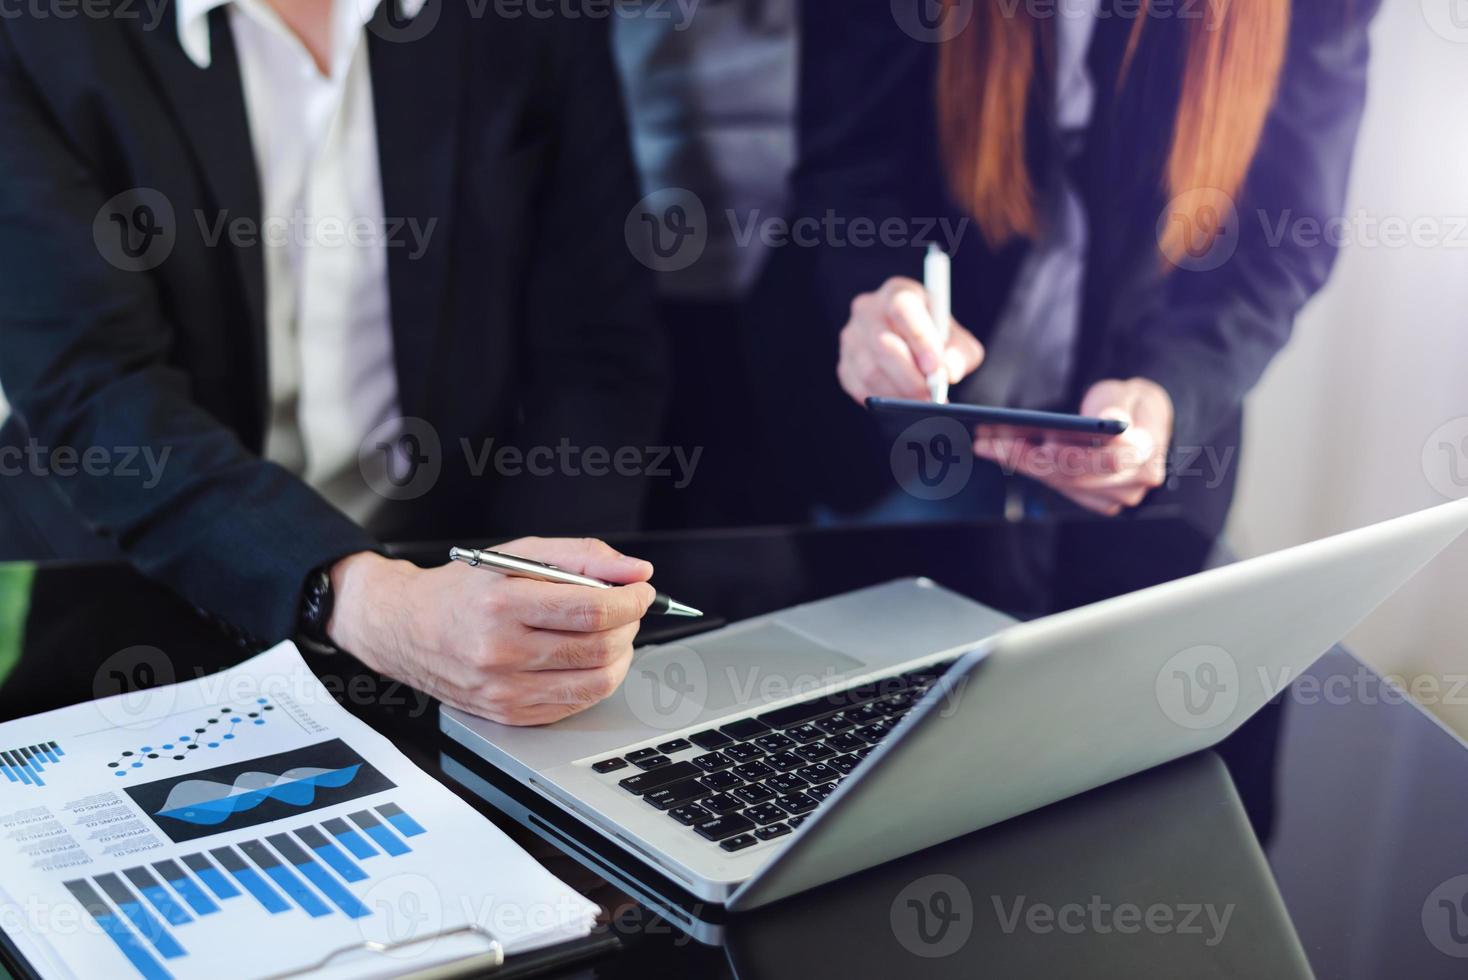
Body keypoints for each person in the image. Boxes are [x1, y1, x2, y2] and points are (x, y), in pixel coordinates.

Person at [0, 0, 667, 725]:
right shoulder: (38, 26)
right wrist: (359, 598)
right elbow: (98, 394)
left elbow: (596, 350)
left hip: (452, 568)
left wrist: (538, 597)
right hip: (138, 579)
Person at [775, 0, 1379, 535]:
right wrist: (880, 290)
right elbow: (850, 168)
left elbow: (1286, 241)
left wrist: (1169, 396)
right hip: (890, 462)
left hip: (1136, 488)